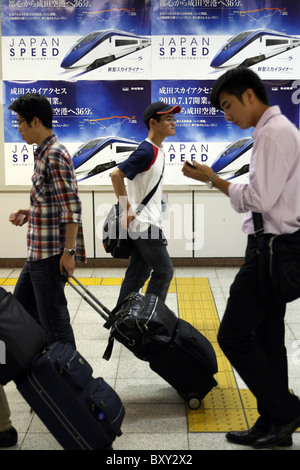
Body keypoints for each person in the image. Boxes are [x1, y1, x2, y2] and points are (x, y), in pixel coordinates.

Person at [182, 66, 300, 449]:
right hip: (272, 245)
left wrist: (214, 179)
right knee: (268, 338)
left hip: (271, 250)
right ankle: (274, 424)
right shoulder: (272, 132)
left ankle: (286, 410)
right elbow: (266, 193)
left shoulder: (273, 134)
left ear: (250, 95)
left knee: (232, 335)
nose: (227, 115)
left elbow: (261, 199)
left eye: (229, 106)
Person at [8, 93, 86, 348]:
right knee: (21, 309)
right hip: (38, 253)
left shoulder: (55, 154)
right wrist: (30, 212)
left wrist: (69, 253)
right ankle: (42, 367)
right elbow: (54, 202)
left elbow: (72, 208)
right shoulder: (42, 153)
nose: (17, 128)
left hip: (51, 255)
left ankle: (73, 380)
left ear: (36, 122)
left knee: (55, 322)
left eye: (20, 122)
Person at [111, 102, 181, 305]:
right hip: (144, 225)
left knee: (138, 274)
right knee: (164, 270)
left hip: (146, 222)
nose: (173, 122)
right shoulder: (147, 151)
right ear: (153, 122)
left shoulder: (158, 151)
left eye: (173, 118)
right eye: (168, 118)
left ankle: (121, 317)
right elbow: (116, 175)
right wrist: (126, 208)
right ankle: (152, 316)